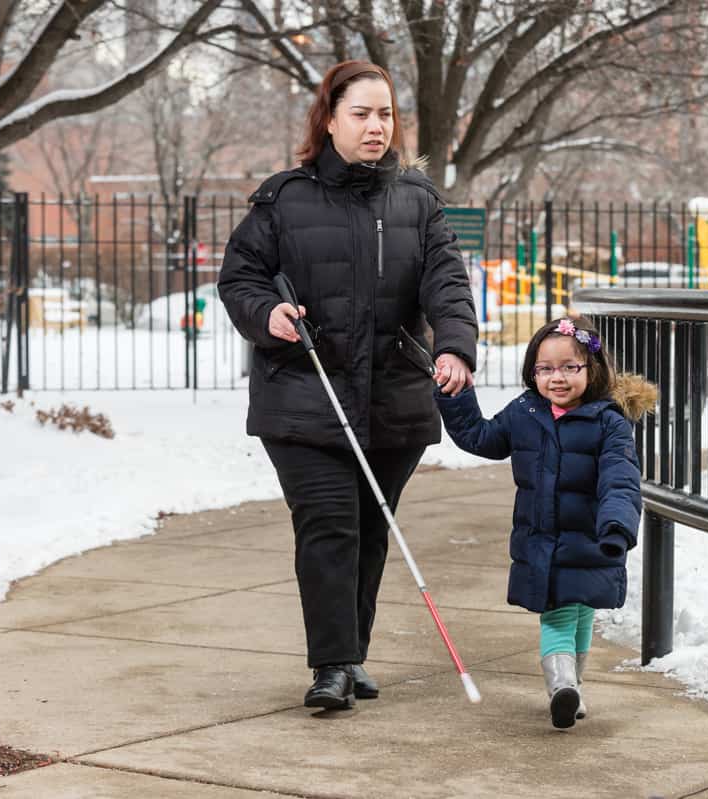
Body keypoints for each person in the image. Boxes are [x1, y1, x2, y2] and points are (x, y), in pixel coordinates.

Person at [218, 60, 477, 710]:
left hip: (394, 399)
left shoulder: (417, 201)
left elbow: (446, 282)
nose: (375, 126)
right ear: (328, 119)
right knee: (330, 522)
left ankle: (350, 652)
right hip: (303, 397)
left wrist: (454, 345)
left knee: (368, 525)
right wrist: (267, 314)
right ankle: (332, 665)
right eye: (360, 113)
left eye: (384, 113)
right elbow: (241, 277)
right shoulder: (285, 199)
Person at [435, 317, 656, 728]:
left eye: (570, 367)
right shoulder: (524, 412)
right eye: (546, 369)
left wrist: (617, 526)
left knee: (582, 610)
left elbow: (620, 478)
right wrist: (456, 396)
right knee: (559, 611)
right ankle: (563, 687)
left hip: (591, 537)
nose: (557, 378)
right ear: (532, 372)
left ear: (592, 370)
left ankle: (570, 686)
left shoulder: (608, 421)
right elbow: (481, 438)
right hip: (542, 540)